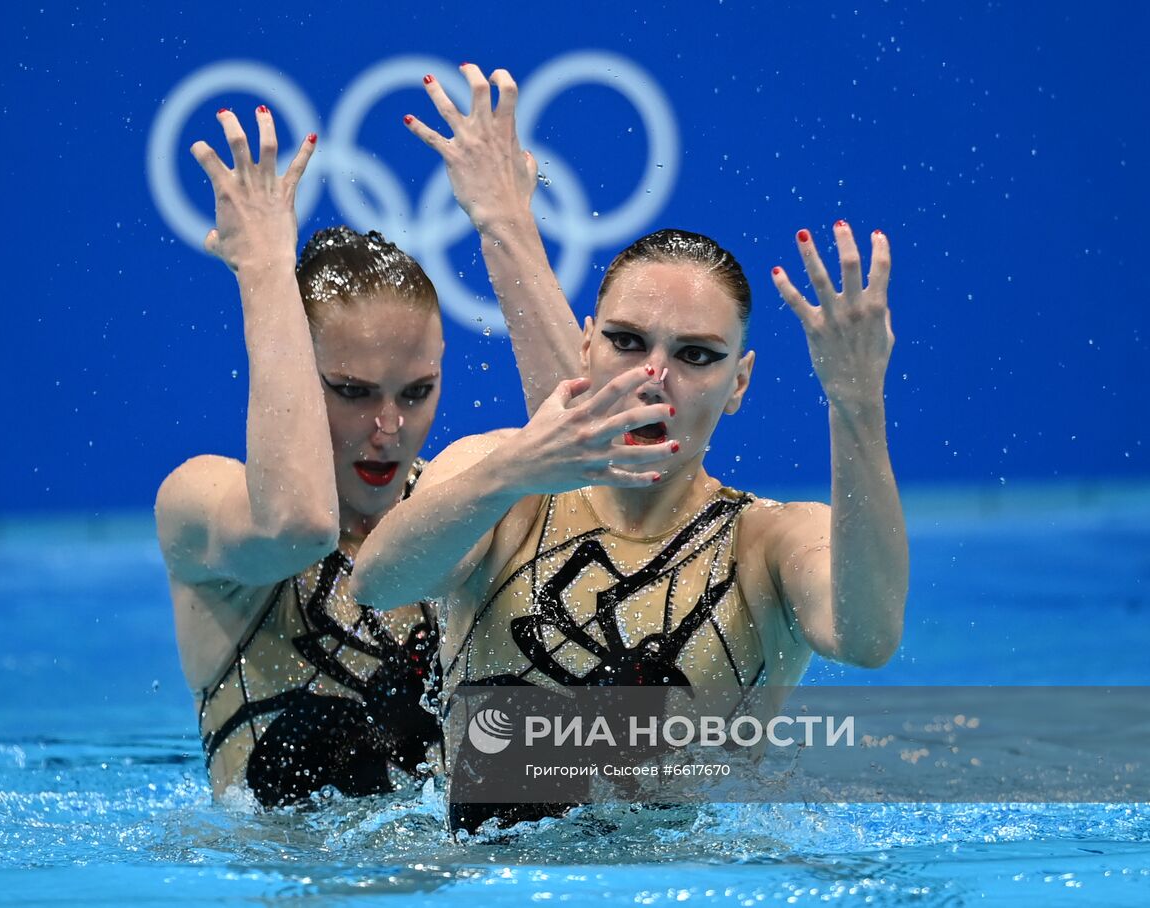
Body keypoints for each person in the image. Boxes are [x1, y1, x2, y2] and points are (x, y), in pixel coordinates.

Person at [351, 196, 909, 830]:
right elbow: (378, 583)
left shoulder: (767, 542)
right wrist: (513, 473)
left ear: (741, 382)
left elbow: (868, 639)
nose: (653, 378)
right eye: (626, 341)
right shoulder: (502, 480)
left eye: (696, 355)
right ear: (586, 346)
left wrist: (856, 403)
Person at [154, 67, 581, 809]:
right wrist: (263, 272)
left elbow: (590, 474)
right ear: (299, 371)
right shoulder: (200, 503)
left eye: (416, 394)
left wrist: (506, 223)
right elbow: (297, 525)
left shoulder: (453, 504)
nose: (388, 429)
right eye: (351, 393)